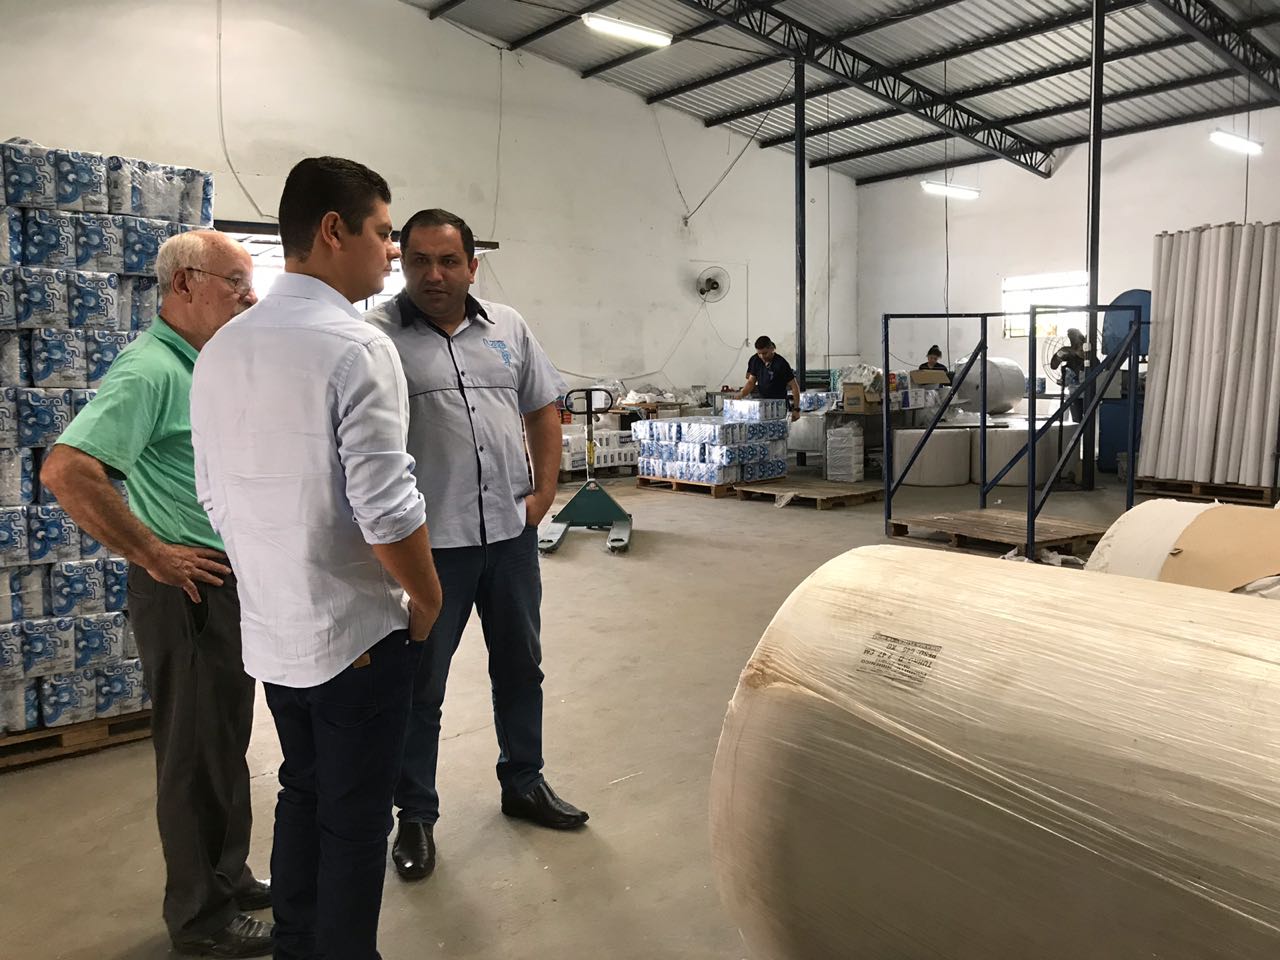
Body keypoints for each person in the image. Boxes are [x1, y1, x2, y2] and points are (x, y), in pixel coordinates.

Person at [190, 157, 444, 960]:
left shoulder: (223, 348)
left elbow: (212, 494)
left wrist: (272, 573)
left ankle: (297, 944)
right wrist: (426, 599)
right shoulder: (355, 346)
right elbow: (387, 507)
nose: (393, 251)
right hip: (355, 636)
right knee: (357, 819)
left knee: (302, 789)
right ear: (334, 231)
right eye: (383, 232)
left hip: (273, 630)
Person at [42, 231, 273, 958]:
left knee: (224, 741)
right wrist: (151, 552)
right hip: (186, 589)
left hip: (223, 582)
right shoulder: (149, 371)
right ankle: (201, 919)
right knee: (194, 753)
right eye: (235, 284)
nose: (249, 298)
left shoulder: (202, 363)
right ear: (184, 284)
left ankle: (227, 876)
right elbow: (67, 470)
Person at [364, 209, 587, 885]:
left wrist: (543, 493)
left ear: (472, 265)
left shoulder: (508, 327)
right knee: (420, 686)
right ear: (401, 262)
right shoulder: (375, 336)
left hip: (510, 537)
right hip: (432, 547)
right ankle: (415, 814)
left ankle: (525, 782)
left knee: (521, 668)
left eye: (448, 261)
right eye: (419, 261)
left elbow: (542, 409)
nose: (434, 275)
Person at [738, 335, 801, 421]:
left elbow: (794, 386)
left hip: (779, 406)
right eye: (759, 353)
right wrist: (741, 394)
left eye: (765, 353)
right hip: (762, 405)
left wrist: (796, 409)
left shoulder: (781, 363)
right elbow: (751, 382)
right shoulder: (755, 360)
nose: (762, 356)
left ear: (771, 349)